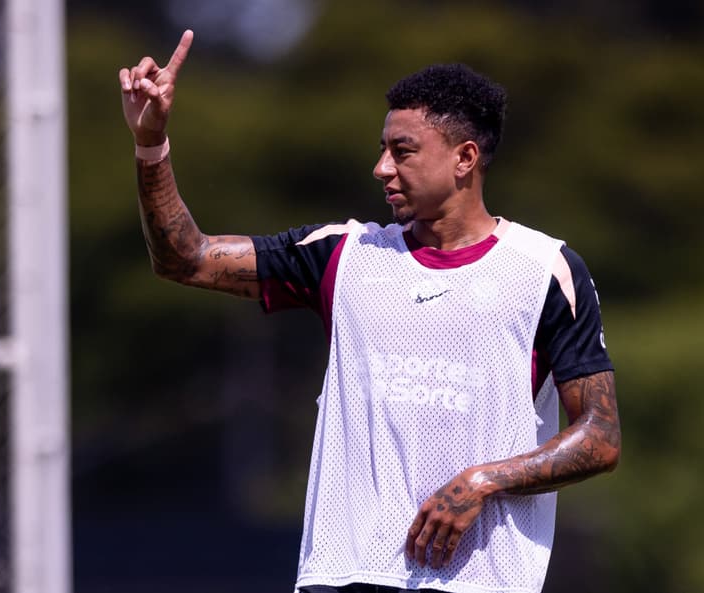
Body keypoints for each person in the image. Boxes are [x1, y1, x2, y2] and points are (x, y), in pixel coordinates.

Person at [118, 30, 621, 593]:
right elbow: (185, 259)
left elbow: (599, 437)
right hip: (345, 575)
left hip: (480, 581)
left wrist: (483, 481)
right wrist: (150, 145)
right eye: (382, 148)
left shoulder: (545, 270)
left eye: (402, 151)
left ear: (465, 158)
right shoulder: (343, 254)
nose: (381, 167)